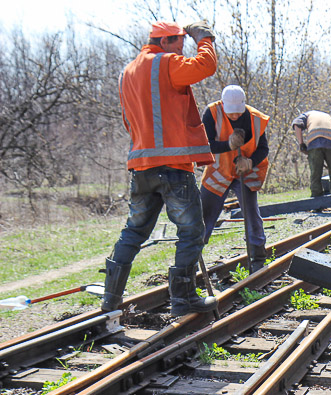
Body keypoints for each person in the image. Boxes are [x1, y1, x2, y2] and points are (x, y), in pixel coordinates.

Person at [102, 21, 218, 317]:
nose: (182, 46)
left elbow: (129, 120)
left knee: (134, 231)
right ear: (163, 41)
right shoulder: (166, 63)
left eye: (184, 40)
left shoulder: (127, 72)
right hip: (173, 167)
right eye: (179, 40)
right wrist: (204, 38)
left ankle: (110, 302)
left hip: (141, 167)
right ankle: (183, 300)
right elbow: (205, 65)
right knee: (191, 231)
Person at [200, 85, 270, 273]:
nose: (235, 117)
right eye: (231, 114)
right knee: (203, 215)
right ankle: (191, 259)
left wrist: (250, 162)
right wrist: (228, 145)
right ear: (223, 105)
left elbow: (263, 149)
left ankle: (258, 259)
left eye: (238, 113)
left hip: (244, 173)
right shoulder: (211, 113)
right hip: (218, 172)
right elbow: (205, 145)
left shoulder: (255, 118)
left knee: (252, 215)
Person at [292, 110, 331, 198]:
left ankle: (317, 205)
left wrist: (301, 144)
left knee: (315, 175)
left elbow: (297, 124)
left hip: (315, 141)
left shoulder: (307, 115)